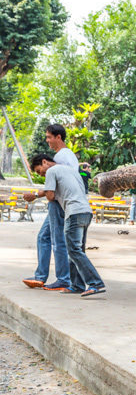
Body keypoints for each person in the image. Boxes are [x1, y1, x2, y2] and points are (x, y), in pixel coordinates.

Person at [28, 154, 105, 297]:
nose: (42, 174)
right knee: (76, 251)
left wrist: (38, 194)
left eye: (40, 171)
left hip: (73, 213)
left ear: (45, 162)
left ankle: (95, 283)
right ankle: (77, 285)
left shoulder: (52, 171)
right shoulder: (72, 171)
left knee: (74, 251)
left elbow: (50, 197)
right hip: (86, 212)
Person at [22, 124, 79, 291]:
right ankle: (41, 276)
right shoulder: (66, 156)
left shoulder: (60, 158)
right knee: (43, 237)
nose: (47, 140)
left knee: (57, 241)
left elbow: (53, 190)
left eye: (48, 137)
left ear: (58, 137)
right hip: (61, 202)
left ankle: (63, 279)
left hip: (58, 203)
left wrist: (36, 195)